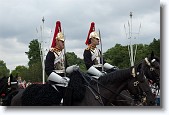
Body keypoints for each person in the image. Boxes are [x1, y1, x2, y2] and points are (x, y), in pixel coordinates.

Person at [45, 21, 78, 105]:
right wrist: (60, 80)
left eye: (64, 41)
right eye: (62, 41)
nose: (63, 43)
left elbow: (66, 68)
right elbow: (48, 70)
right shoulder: (51, 53)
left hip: (64, 81)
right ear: (57, 41)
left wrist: (72, 68)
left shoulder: (63, 54)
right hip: (54, 82)